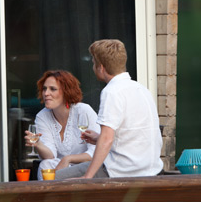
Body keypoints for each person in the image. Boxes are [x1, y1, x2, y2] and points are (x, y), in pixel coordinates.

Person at [55, 39, 163, 180]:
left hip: (121, 171)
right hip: (150, 169)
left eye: (93, 63)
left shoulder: (112, 91)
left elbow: (107, 139)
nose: (92, 67)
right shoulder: (142, 89)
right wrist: (97, 138)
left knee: (55, 178)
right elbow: (134, 135)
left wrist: (87, 177)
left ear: (101, 67)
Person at [23, 70, 98, 180]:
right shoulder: (42, 116)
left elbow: (96, 151)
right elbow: (50, 155)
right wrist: (38, 144)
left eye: (52, 89)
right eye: (44, 89)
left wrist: (68, 159)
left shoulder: (84, 111)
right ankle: (48, 191)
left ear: (66, 92)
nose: (46, 93)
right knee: (45, 164)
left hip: (87, 168)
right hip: (61, 168)